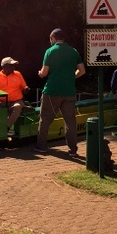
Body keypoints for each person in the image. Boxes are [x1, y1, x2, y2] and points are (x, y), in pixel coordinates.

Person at [35, 28, 85, 156]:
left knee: (45, 119)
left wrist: (40, 74)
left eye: (50, 39)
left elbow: (44, 72)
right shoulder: (73, 51)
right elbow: (82, 71)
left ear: (53, 38)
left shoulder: (50, 51)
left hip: (52, 92)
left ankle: (41, 146)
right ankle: (72, 150)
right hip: (69, 92)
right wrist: (72, 76)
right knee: (70, 121)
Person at [0, 56, 30, 133]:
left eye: (13, 65)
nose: (13, 67)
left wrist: (26, 89)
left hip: (16, 101)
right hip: (1, 101)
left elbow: (24, 87)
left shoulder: (18, 74)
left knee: (17, 107)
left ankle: (6, 127)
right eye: (11, 65)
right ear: (4, 66)